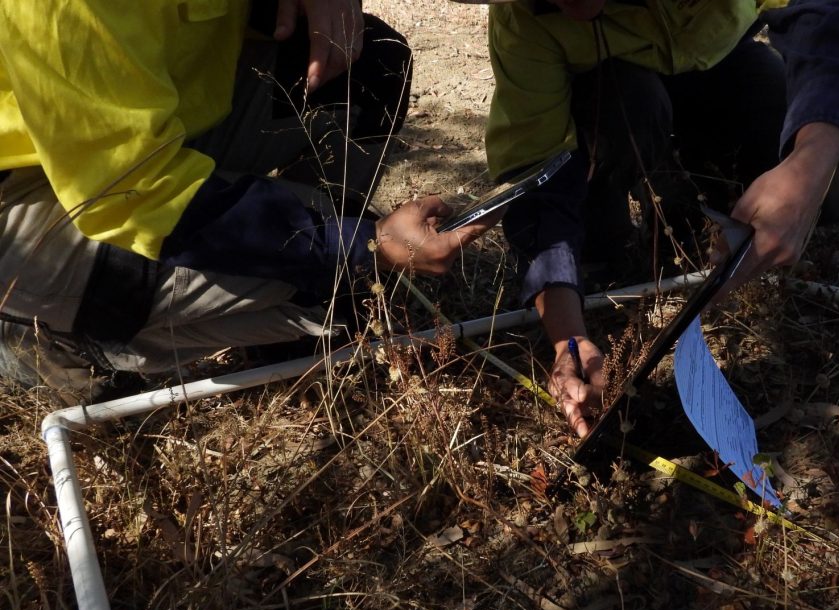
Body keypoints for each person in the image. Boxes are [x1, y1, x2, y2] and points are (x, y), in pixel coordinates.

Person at [0, 1, 493, 403]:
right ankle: (45, 336)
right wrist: (362, 245)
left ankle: (292, 303)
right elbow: (132, 197)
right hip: (51, 192)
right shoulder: (68, 10)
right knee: (333, 274)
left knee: (371, 64)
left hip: (152, 122)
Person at [481, 0, 839, 436]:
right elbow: (537, 179)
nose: (575, 10)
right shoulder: (519, 16)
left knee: (836, 187)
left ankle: (701, 187)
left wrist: (808, 165)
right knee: (628, 104)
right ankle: (613, 228)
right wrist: (568, 339)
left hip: (721, 62)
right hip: (617, 97)